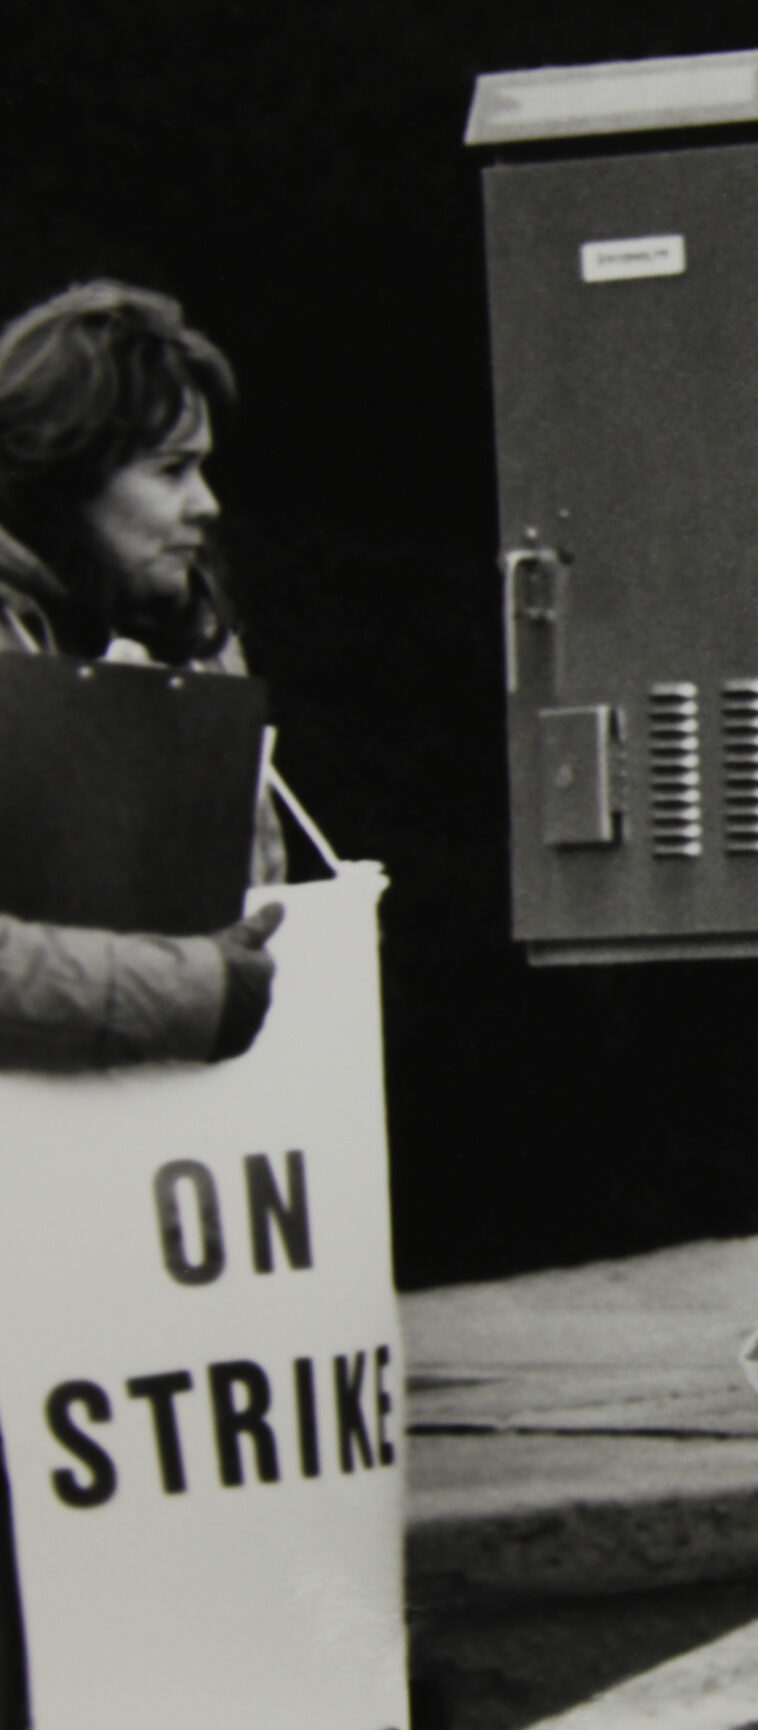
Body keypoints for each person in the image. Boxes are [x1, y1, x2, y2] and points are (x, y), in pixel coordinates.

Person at [0, 279, 287, 1726]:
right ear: (62, 473)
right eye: (169, 470)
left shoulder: (73, 635)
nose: (204, 503)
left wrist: (195, 651)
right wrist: (196, 993)